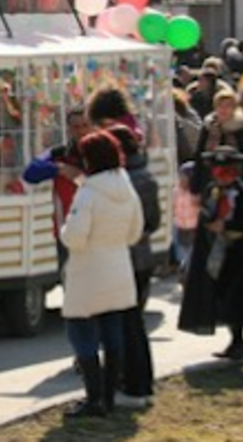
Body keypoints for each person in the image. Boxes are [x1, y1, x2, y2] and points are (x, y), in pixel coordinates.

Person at [59, 130, 143, 419]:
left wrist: (63, 229)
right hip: (118, 267)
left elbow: (75, 237)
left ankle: (93, 397)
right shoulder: (126, 185)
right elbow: (135, 231)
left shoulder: (88, 193)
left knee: (81, 334)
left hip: (88, 272)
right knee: (112, 334)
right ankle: (108, 396)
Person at [178, 146, 243, 361]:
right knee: (223, 295)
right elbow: (207, 212)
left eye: (226, 172)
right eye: (217, 172)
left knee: (238, 298)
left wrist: (226, 225)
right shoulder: (212, 190)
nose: (221, 177)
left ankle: (239, 340)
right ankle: (235, 340)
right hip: (217, 252)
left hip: (239, 253)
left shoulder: (242, 194)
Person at [105, 124, 160, 409]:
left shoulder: (128, 180)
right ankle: (137, 380)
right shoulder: (145, 177)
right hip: (141, 257)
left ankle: (133, 382)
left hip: (128, 256)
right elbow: (154, 221)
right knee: (132, 323)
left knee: (128, 324)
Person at [23, 105, 91, 262]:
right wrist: (59, 169)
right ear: (68, 130)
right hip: (67, 233)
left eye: (85, 126)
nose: (81, 131)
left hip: (96, 233)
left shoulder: (104, 153)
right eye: (76, 127)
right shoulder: (60, 154)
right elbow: (30, 172)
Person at [172, 162, 199, 272]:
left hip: (194, 227)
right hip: (180, 227)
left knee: (192, 253)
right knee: (182, 250)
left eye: (184, 177)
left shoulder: (195, 194)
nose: (181, 179)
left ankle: (188, 270)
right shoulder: (176, 191)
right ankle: (184, 266)